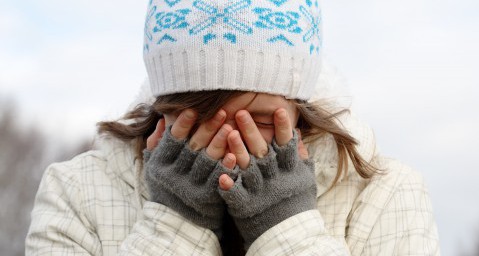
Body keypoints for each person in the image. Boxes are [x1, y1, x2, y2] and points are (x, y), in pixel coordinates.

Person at [26, 0, 440, 255]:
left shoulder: (386, 193)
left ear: (299, 106)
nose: (226, 142)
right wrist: (176, 220)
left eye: (258, 121)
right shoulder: (76, 191)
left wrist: (285, 225)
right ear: (162, 107)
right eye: (194, 122)